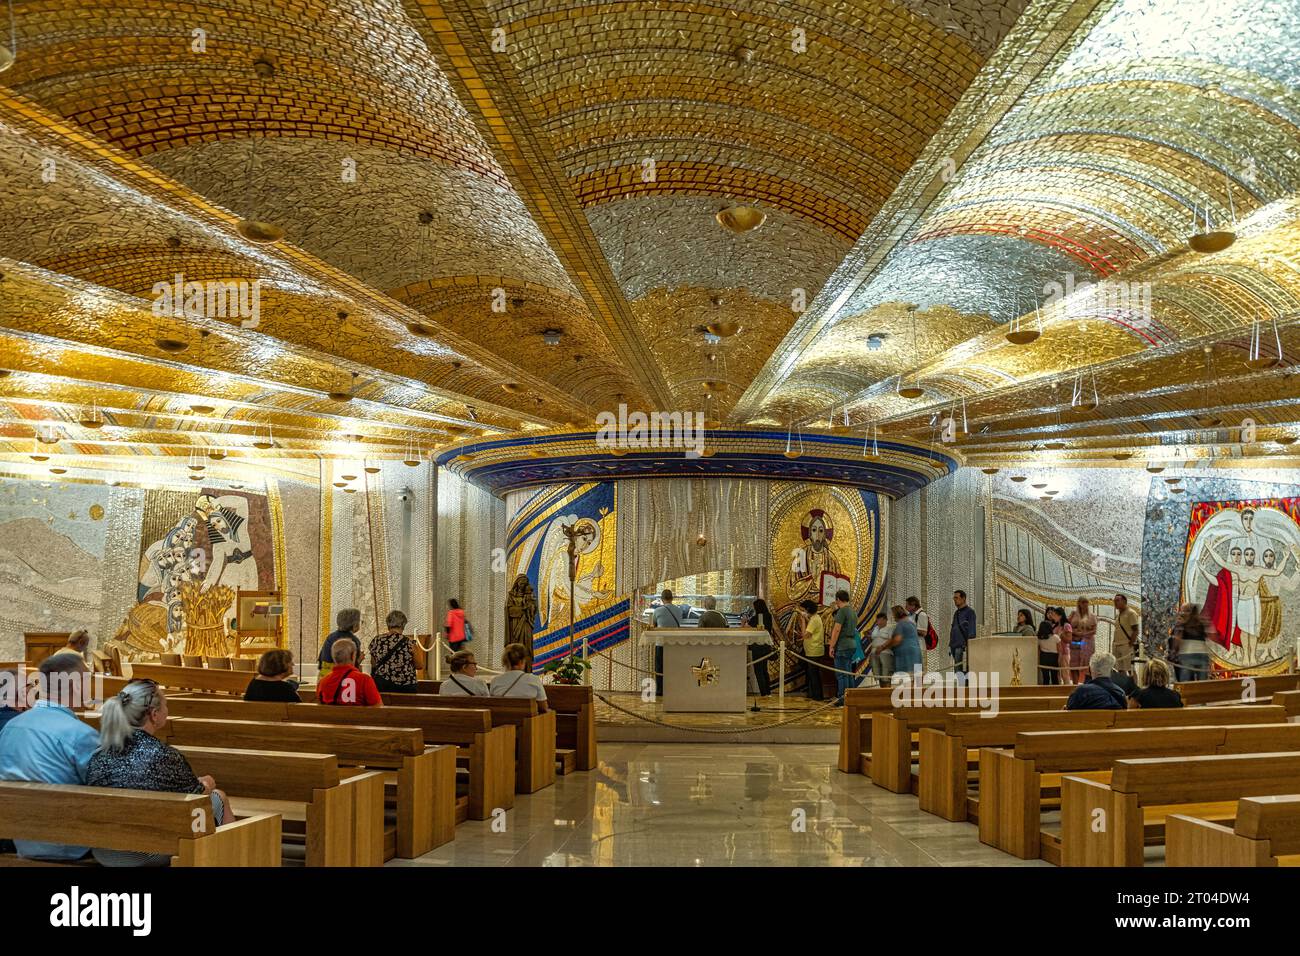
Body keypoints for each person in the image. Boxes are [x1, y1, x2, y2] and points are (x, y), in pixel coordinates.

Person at [87, 679, 230, 866]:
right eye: (166, 705)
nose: (167, 710)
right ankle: (231, 858)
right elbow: (196, 797)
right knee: (217, 798)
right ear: (154, 714)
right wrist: (207, 784)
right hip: (143, 853)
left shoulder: (100, 754)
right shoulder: (163, 755)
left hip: (103, 850)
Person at [0, 654, 99, 862]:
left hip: (22, 840)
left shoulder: (12, 727)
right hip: (71, 846)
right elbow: (107, 790)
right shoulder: (81, 734)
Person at [317, 639, 382, 706]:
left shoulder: (323, 682)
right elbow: (378, 707)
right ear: (353, 656)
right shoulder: (364, 680)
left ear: (333, 657)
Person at [369, 610, 419, 693]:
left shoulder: (377, 640)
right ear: (403, 625)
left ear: (388, 624)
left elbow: (373, 664)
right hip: (406, 686)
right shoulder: (409, 642)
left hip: (383, 685)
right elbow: (419, 665)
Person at [650, 588, 686, 697]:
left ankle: (660, 690)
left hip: (661, 642)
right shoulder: (679, 610)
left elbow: (654, 625)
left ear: (662, 599)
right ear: (672, 598)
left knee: (660, 667)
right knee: (673, 666)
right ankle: (673, 688)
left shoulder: (658, 611)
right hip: (674, 642)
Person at [828, 589, 861, 703]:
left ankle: (842, 698)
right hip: (852, 644)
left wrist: (831, 646)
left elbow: (837, 630)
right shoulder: (853, 612)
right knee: (848, 673)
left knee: (841, 674)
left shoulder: (842, 611)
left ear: (838, 599)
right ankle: (851, 697)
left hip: (842, 645)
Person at [1171, 602, 1212, 682]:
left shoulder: (1183, 622)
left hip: (1187, 653)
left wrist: (1174, 651)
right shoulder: (1201, 622)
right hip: (1202, 653)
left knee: (1186, 683)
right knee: (1203, 683)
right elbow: (1209, 636)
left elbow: (1177, 639)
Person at [318, 608, 362, 678]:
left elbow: (321, 658)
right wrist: (360, 659)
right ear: (355, 625)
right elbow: (354, 664)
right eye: (360, 621)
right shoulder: (354, 640)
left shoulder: (330, 637)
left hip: (325, 675)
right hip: (342, 677)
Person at [797, 600, 825, 700]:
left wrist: (803, 621)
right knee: (812, 674)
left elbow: (805, 635)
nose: (803, 612)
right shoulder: (814, 617)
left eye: (804, 609)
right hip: (812, 650)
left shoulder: (814, 620)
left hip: (814, 651)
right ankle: (813, 694)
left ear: (808, 609)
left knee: (814, 675)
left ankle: (817, 696)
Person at [747, 598, 774, 696]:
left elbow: (747, 628)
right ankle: (768, 692)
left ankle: (763, 693)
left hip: (757, 647)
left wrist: (745, 622)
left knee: (758, 671)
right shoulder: (769, 616)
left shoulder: (755, 618)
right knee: (764, 670)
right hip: (766, 646)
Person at [886, 604, 922, 676]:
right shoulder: (911, 622)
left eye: (893, 615)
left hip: (906, 655)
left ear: (896, 614)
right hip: (916, 653)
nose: (892, 617)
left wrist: (885, 646)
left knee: (906, 680)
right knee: (917, 679)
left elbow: (897, 640)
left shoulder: (901, 624)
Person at [1068, 597, 1097, 685]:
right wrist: (1075, 632)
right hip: (1075, 642)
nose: (1085, 604)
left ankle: (1089, 684)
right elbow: (1067, 627)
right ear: (1079, 603)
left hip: (1087, 642)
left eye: (1086, 602)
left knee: (1088, 664)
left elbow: (1094, 630)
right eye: (1082, 602)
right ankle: (1075, 685)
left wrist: (1083, 634)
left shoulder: (1092, 616)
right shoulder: (1073, 614)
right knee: (1074, 664)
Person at [1113, 594, 1139, 674]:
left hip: (1126, 645)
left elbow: (1136, 630)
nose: (1115, 602)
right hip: (1117, 645)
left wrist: (1131, 643)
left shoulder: (1131, 613)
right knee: (1120, 669)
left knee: (1130, 668)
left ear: (1124, 601)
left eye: (1118, 600)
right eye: (1114, 601)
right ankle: (1123, 685)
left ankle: (1134, 685)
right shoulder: (1118, 615)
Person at [951, 590, 976, 674]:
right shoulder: (956, 613)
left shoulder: (970, 612)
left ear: (963, 598)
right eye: (954, 598)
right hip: (954, 646)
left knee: (961, 671)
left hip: (962, 647)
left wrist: (969, 645)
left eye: (956, 598)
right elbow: (953, 629)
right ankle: (960, 686)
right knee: (957, 670)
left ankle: (963, 686)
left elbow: (972, 631)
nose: (954, 600)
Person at [868, 611, 894, 686]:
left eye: (881, 619)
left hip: (886, 653)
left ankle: (887, 693)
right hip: (874, 653)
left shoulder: (890, 628)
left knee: (886, 675)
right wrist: (869, 637)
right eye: (878, 620)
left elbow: (891, 640)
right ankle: (882, 691)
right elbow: (872, 640)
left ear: (886, 620)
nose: (879, 621)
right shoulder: (875, 629)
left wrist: (882, 647)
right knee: (878, 674)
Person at [1051, 606, 1074, 685]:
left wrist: (1061, 635)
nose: (1052, 616)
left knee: (1065, 674)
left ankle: (1066, 692)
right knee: (1057, 674)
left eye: (1054, 615)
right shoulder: (1055, 626)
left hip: (1064, 652)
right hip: (1055, 652)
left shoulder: (1066, 626)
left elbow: (1069, 640)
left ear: (1060, 615)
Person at [1036, 610, 1059, 685]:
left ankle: (1046, 693)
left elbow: (1038, 650)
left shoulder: (1039, 639)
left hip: (1044, 657)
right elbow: (1059, 649)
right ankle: (1056, 693)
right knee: (1054, 676)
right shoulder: (1055, 637)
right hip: (1054, 657)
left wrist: (1038, 659)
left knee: (1045, 678)